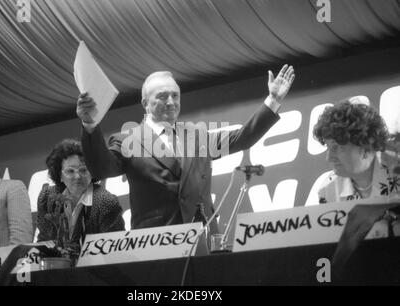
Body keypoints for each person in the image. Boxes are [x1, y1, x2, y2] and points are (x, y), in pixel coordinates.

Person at [76, 65, 295, 232]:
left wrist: (273, 100)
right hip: (156, 246)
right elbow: (101, 169)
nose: (171, 102)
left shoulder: (197, 136)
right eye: (162, 96)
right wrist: (90, 125)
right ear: (145, 103)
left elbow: (243, 138)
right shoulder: (128, 140)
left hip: (203, 238)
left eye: (175, 95)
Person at [36, 139, 124, 247]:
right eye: (70, 171)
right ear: (60, 175)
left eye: (83, 170)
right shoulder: (47, 197)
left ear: (92, 172)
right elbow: (44, 241)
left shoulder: (106, 202)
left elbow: (114, 250)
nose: (77, 177)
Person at [314, 100, 399, 203]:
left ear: (366, 146)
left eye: (337, 147)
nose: (329, 157)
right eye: (328, 147)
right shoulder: (328, 191)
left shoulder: (397, 168)